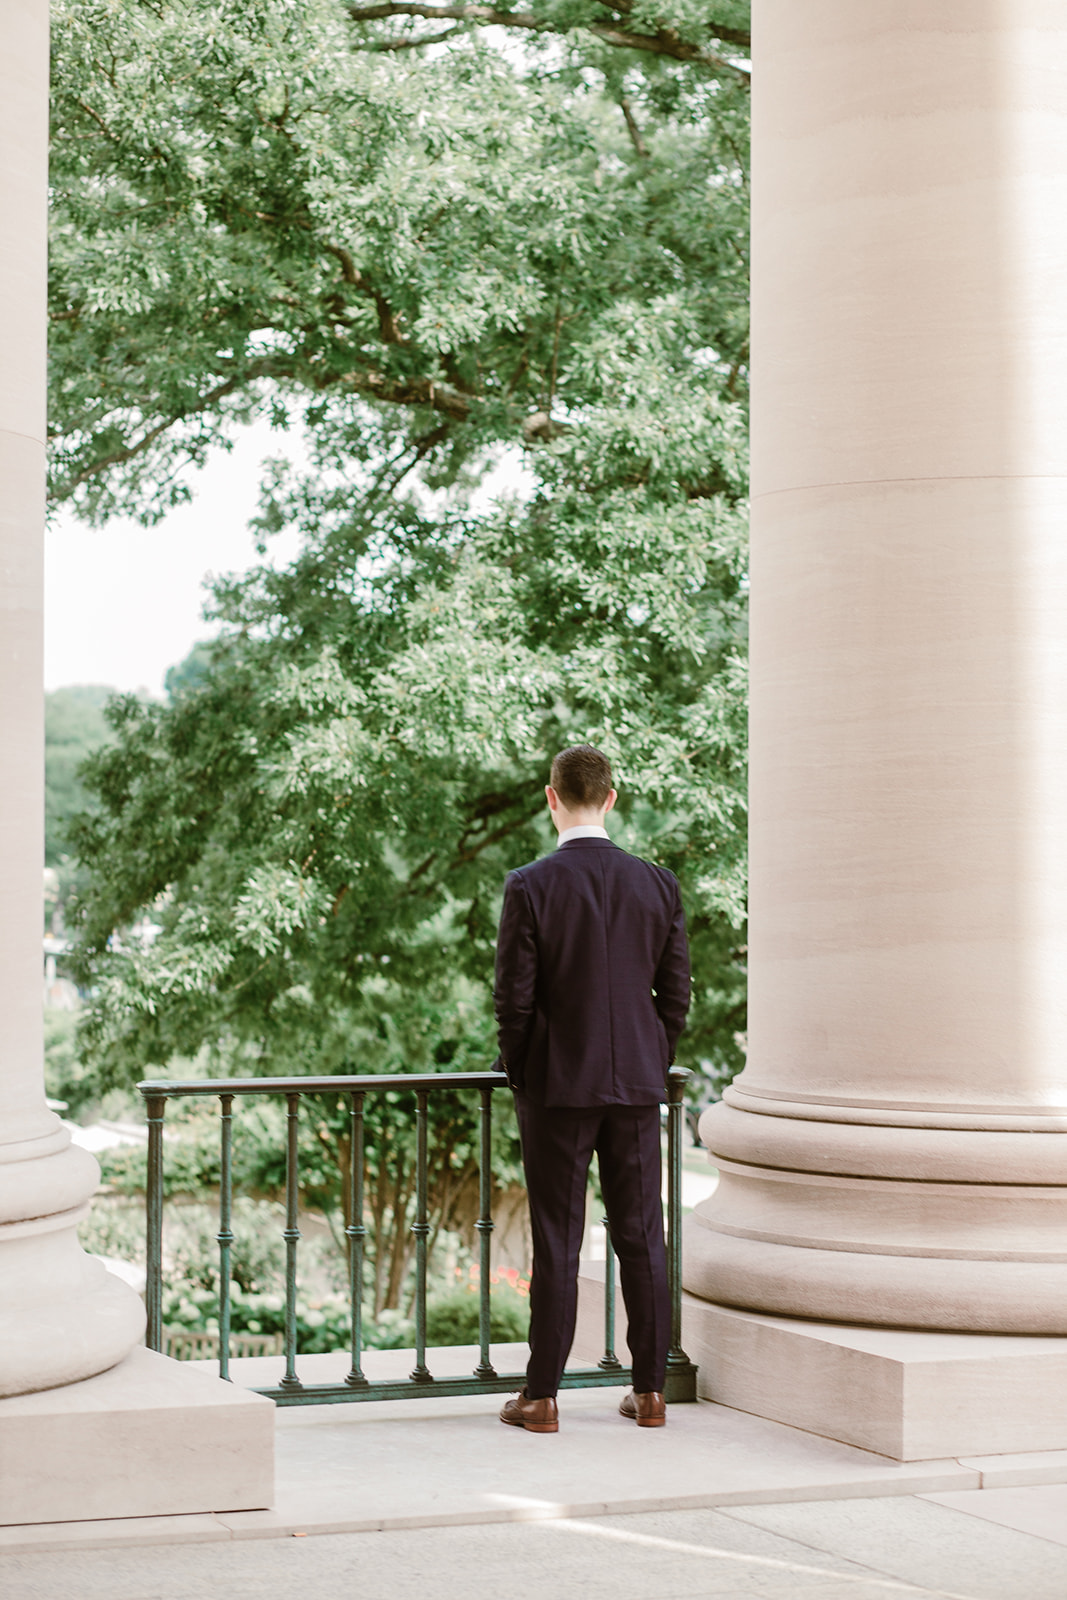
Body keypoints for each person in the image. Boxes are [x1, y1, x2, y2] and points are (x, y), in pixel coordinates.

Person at [493, 745, 690, 1433]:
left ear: (552, 798)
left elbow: (512, 1003)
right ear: (611, 798)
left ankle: (541, 1395)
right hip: (636, 1084)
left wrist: (522, 1071)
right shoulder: (657, 884)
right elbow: (676, 995)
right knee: (641, 1234)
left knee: (557, 1238)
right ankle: (650, 1391)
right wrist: (649, 1059)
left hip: (555, 1087)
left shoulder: (529, 885)